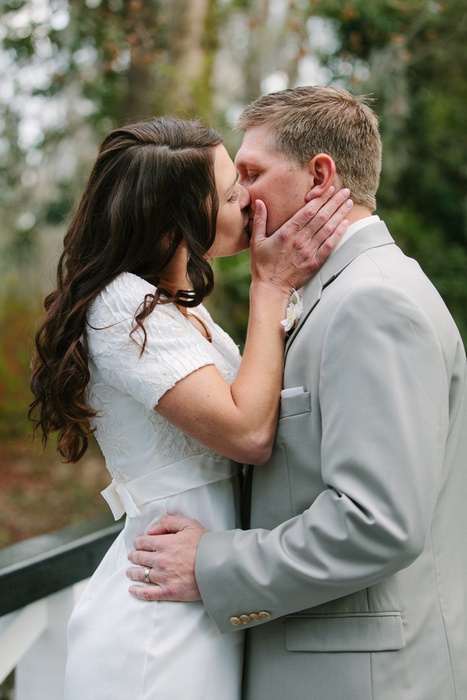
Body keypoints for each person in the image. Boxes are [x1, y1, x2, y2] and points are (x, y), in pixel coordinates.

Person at [127, 87, 467, 700]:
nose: (237, 197)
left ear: (320, 176)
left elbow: (378, 523)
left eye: (251, 174)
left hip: (362, 681)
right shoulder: (337, 294)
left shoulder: (373, 302)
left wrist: (213, 565)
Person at [28, 116, 351, 699]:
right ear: (176, 220)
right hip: (156, 624)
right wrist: (270, 287)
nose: (248, 198)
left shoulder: (184, 311)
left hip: (201, 593)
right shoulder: (124, 307)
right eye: (230, 192)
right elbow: (249, 433)